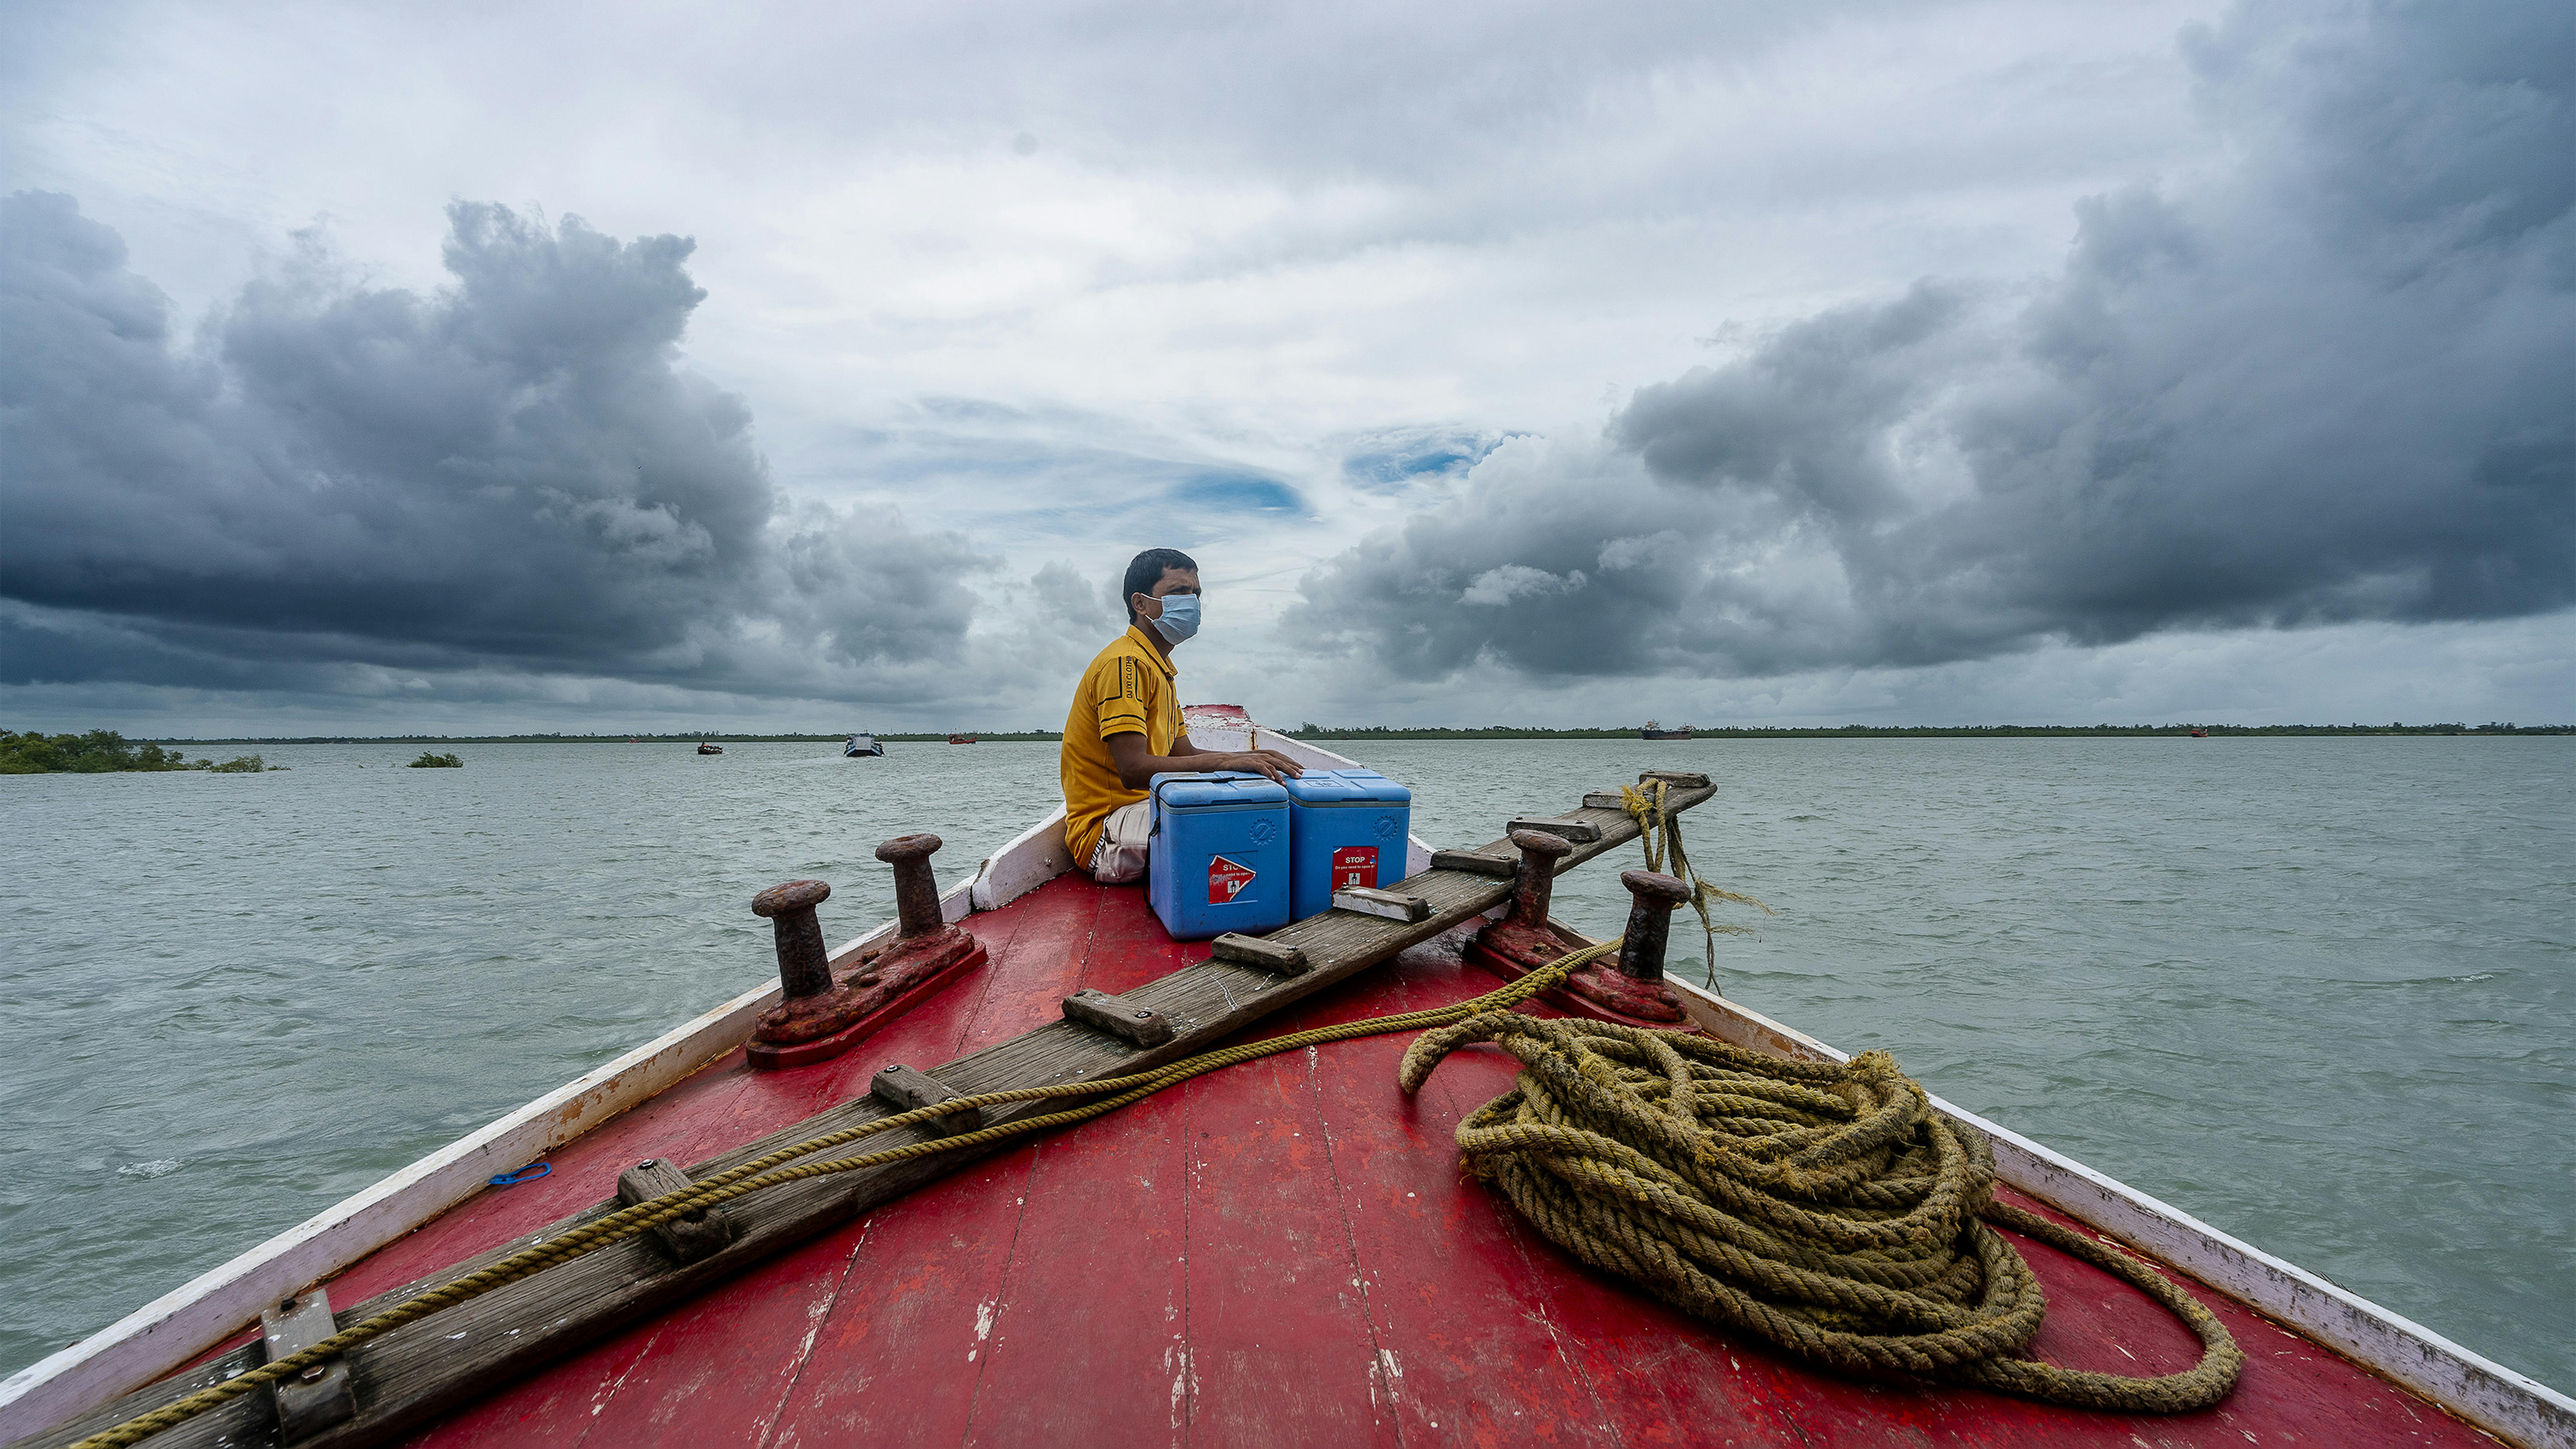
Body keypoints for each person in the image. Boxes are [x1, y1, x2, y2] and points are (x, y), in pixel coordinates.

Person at [1060, 547, 1303, 883]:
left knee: (1271, 806)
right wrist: (1224, 764)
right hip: (1108, 832)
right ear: (1140, 604)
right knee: (1249, 823)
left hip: (1149, 808)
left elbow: (1183, 754)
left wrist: (1249, 759)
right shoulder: (1124, 664)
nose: (1191, 602)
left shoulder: (1160, 670)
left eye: (1196, 594)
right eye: (1178, 592)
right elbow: (1132, 770)